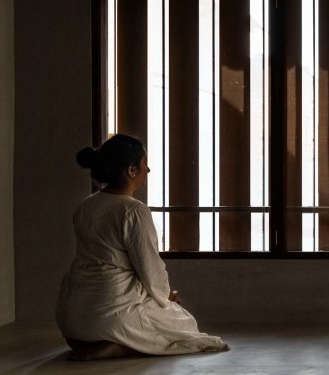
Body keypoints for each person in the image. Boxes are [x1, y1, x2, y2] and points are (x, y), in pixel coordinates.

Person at [56, 134, 229, 361]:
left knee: (146, 313)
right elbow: (149, 267)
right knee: (184, 322)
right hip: (109, 313)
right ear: (131, 170)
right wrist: (165, 296)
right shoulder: (133, 210)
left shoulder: (85, 205)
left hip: (70, 316)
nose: (147, 170)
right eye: (144, 164)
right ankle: (119, 346)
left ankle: (89, 340)